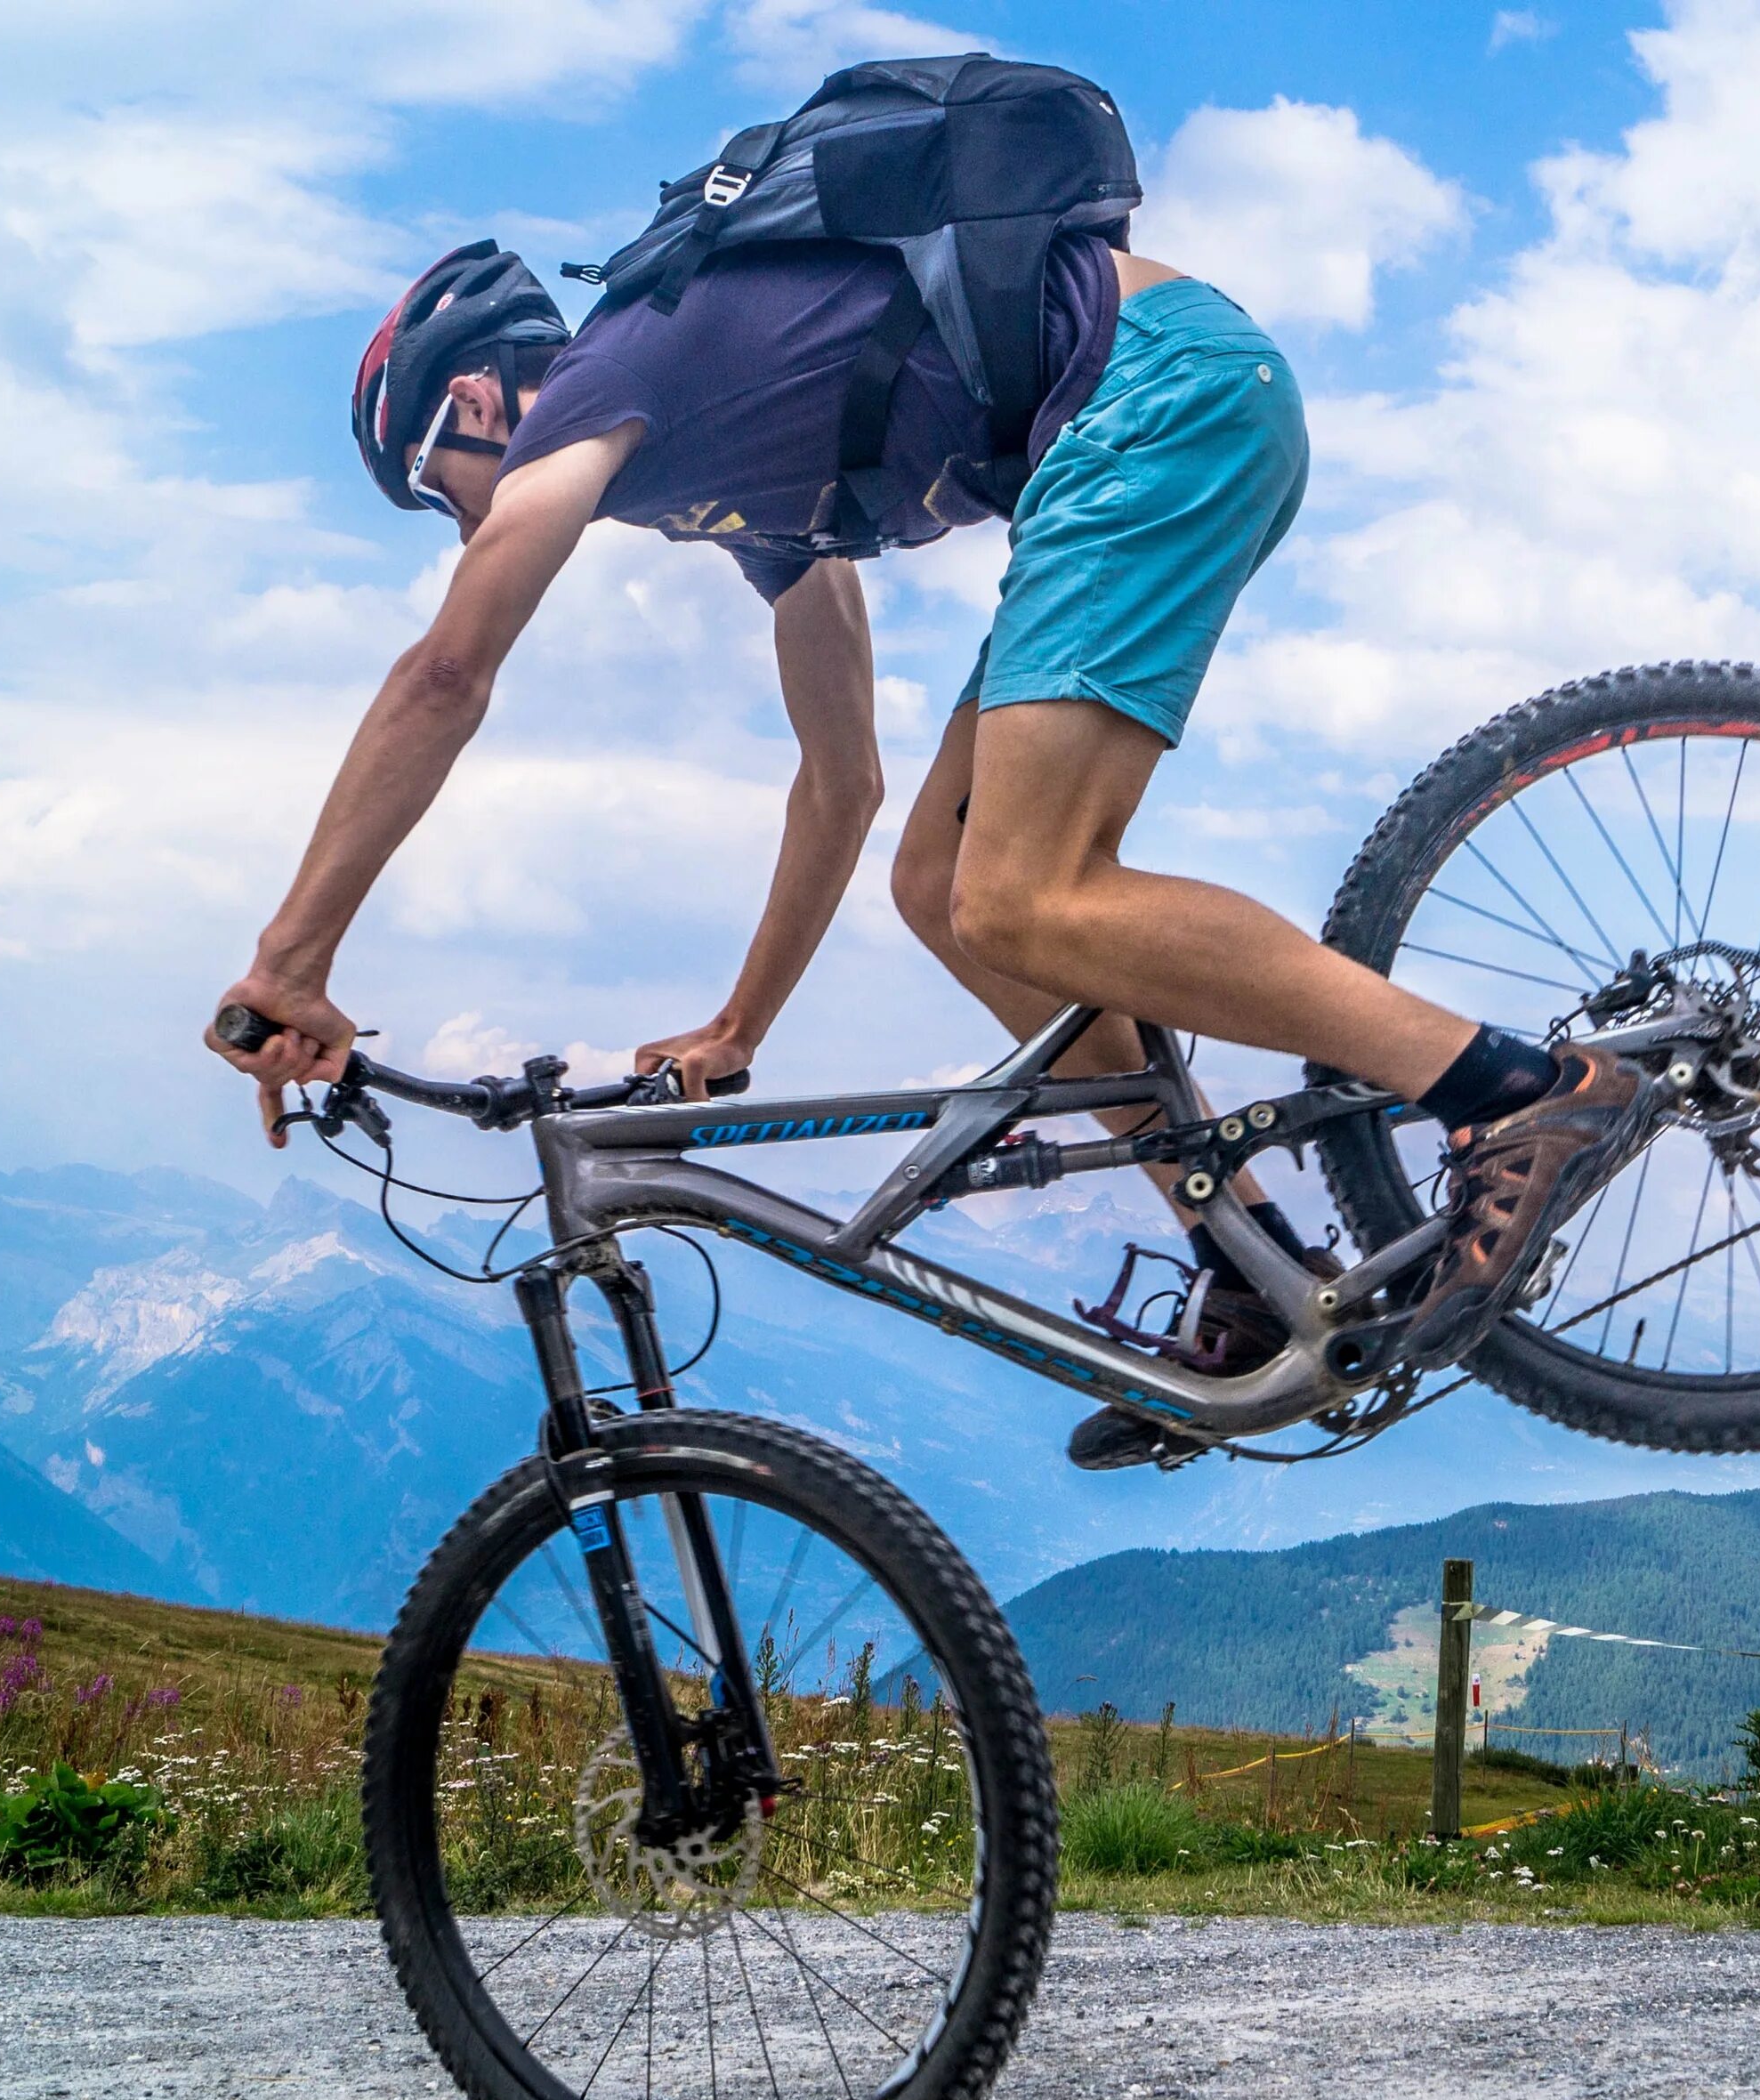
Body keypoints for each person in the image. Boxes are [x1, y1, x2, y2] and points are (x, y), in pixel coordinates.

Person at [209, 217, 1653, 1467]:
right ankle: (1250, 1258)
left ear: (470, 399)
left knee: (1029, 892)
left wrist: (291, 959)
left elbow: (446, 674)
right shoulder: (736, 481)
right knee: (941, 886)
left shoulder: (612, 375)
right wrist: (735, 1026)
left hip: (1159, 396)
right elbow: (841, 784)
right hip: (1144, 417)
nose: (454, 523)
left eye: (432, 486)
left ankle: (1513, 1089)